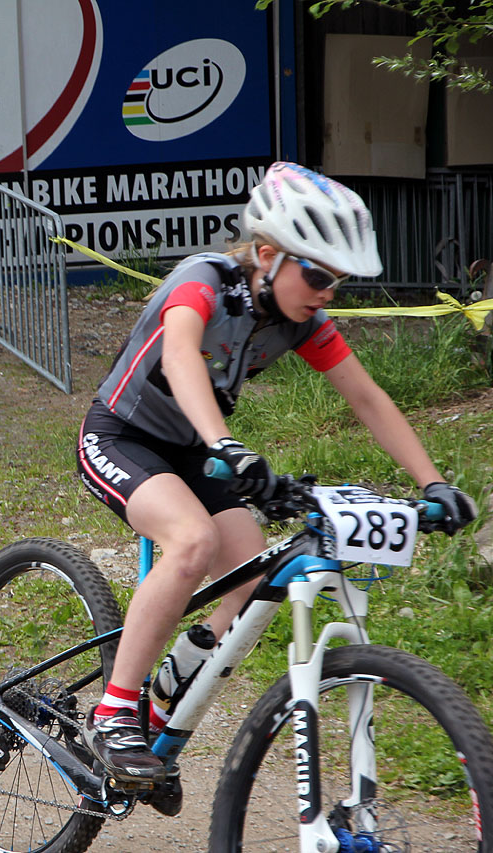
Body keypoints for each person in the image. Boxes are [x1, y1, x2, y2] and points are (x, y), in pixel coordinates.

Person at [75, 161, 478, 785]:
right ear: (267, 254)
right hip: (121, 436)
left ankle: (163, 697)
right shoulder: (204, 280)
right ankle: (113, 712)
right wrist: (228, 444)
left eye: (337, 279)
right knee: (192, 540)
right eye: (317, 274)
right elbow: (180, 355)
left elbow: (366, 397)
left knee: (252, 575)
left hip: (196, 452)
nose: (327, 291)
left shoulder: (300, 320)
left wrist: (434, 483)